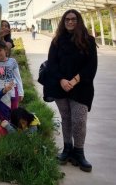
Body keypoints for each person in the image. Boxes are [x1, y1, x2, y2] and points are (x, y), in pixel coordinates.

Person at [46, 9, 97, 173]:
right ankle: (67, 148)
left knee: (79, 120)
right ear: (63, 21)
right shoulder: (57, 41)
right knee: (66, 118)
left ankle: (79, 152)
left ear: (79, 21)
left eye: (73, 19)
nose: (70, 22)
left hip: (81, 87)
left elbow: (91, 66)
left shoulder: (88, 41)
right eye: (67, 19)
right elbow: (52, 64)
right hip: (61, 86)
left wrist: (74, 80)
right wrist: (61, 80)